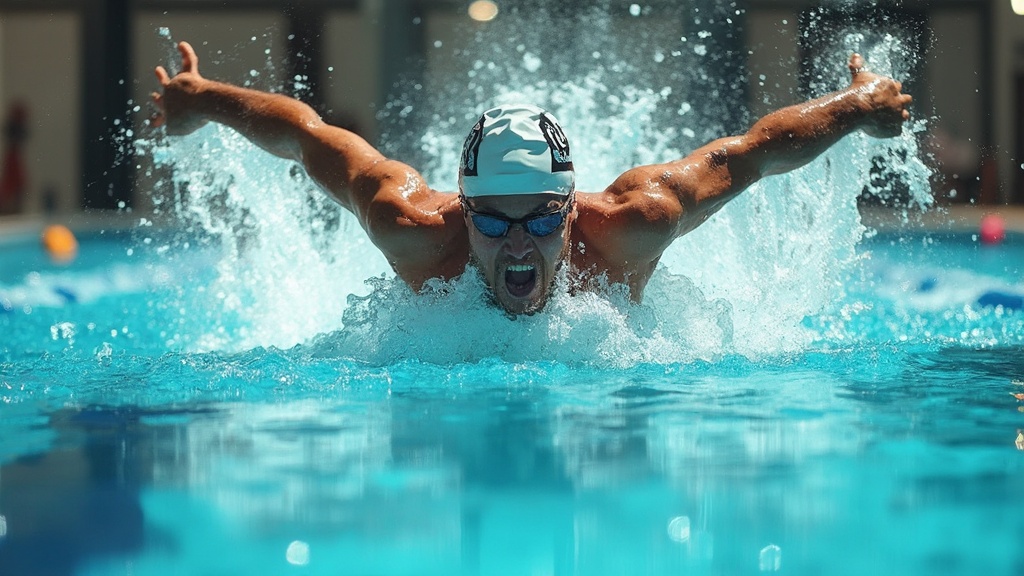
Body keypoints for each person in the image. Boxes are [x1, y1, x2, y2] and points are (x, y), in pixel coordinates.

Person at [152, 42, 911, 316]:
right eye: (495, 220)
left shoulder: (633, 222)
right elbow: (308, 136)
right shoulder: (410, 226)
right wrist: (202, 100)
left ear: (573, 207)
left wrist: (859, 105)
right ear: (462, 212)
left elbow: (749, 152)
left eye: (542, 219)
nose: (520, 243)